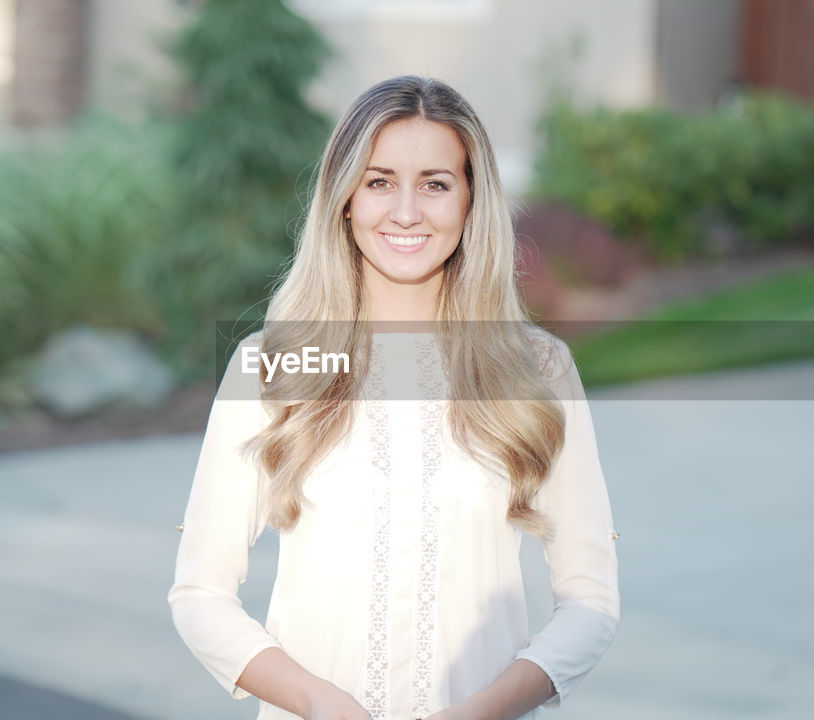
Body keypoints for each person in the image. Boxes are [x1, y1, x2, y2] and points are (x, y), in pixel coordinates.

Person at [168, 75, 619, 720]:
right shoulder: (274, 365)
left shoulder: (538, 368)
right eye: (379, 181)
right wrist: (321, 703)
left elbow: (591, 601)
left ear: (470, 202)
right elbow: (200, 595)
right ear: (345, 199)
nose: (406, 212)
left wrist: (480, 712)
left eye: (435, 184)